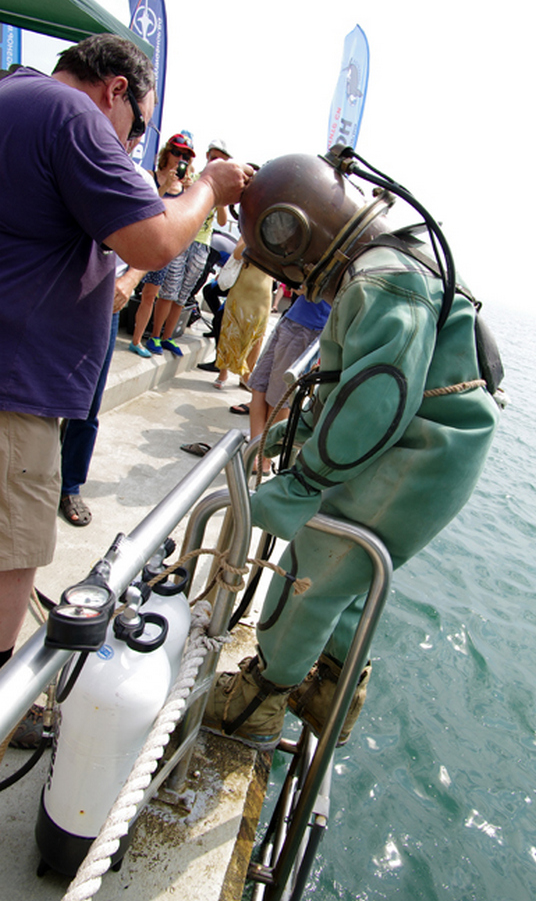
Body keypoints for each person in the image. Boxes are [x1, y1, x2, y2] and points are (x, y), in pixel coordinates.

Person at [202, 153, 500, 749]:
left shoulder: (384, 278)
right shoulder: (393, 258)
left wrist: (303, 481)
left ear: (297, 230)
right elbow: (355, 381)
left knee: (317, 565)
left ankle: (257, 703)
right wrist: (295, 434)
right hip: (433, 451)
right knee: (352, 577)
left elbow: (376, 401)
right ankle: (330, 691)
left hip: (414, 453)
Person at [0, 34, 250, 689]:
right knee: (10, 553)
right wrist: (209, 188)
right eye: (136, 130)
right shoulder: (73, 115)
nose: (131, 147)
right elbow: (157, 238)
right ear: (116, 90)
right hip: (12, 388)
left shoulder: (12, 94)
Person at [144, 139, 231, 357]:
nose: (216, 160)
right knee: (169, 289)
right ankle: (155, 334)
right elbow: (176, 202)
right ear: (207, 156)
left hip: (202, 244)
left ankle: (168, 337)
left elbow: (222, 220)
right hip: (183, 238)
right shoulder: (196, 177)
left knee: (184, 294)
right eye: (213, 156)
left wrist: (219, 199)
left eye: (221, 157)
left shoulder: (222, 186)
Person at [232, 292, 331, 473]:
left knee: (279, 399)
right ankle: (255, 453)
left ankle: (264, 459)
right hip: (293, 317)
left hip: (309, 326)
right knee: (259, 386)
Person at [129, 133, 196, 358]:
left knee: (152, 296)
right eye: (176, 152)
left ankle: (138, 340)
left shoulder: (186, 186)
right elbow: (144, 208)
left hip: (163, 249)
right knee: (128, 287)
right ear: (166, 153)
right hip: (141, 242)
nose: (180, 158)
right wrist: (164, 185)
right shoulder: (150, 176)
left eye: (185, 155)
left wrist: (188, 192)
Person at [212, 238, 273, 390]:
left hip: (263, 292)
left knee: (256, 335)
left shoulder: (279, 240)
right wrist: (253, 234)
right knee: (231, 329)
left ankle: (246, 375)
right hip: (241, 288)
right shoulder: (250, 232)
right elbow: (238, 254)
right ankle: (223, 372)